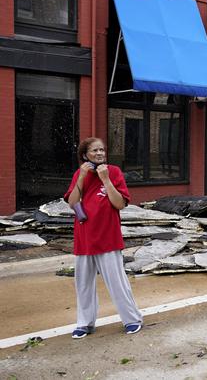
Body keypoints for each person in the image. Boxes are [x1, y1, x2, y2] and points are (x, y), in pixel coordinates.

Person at [64, 137, 143, 339]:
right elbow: (73, 202)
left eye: (102, 150)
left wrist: (106, 179)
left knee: (117, 281)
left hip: (108, 237)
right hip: (84, 237)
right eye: (94, 151)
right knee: (83, 284)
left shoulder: (114, 172)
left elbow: (120, 204)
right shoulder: (78, 174)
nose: (99, 153)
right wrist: (81, 176)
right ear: (85, 155)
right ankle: (85, 323)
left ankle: (132, 319)